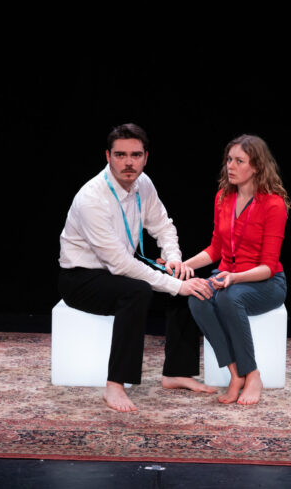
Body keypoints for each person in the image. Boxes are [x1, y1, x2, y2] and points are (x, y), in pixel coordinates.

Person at [58, 123, 215, 413]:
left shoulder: (144, 184)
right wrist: (175, 285)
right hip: (81, 277)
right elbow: (119, 263)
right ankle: (115, 385)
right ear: (108, 156)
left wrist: (174, 260)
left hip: (120, 266)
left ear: (145, 157)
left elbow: (163, 226)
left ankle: (176, 372)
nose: (128, 162)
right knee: (139, 292)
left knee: (186, 278)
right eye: (120, 155)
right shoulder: (92, 198)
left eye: (135, 155)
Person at [182, 134, 290, 405]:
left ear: (256, 166)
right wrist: (183, 265)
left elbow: (268, 267)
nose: (230, 166)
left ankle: (253, 375)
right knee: (197, 297)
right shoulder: (223, 198)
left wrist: (233, 277)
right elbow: (215, 249)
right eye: (229, 159)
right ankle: (235, 374)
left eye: (239, 161)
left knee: (230, 298)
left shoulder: (273, 204)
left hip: (267, 282)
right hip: (228, 277)